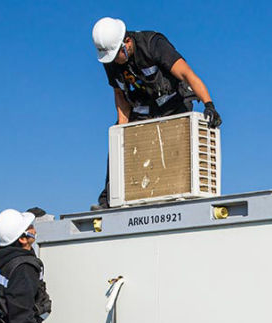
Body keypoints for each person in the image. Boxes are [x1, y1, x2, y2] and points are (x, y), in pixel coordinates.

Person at [91, 17, 223, 209]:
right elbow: (119, 93)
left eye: (116, 55)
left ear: (126, 42)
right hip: (142, 107)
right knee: (118, 141)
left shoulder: (152, 44)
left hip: (173, 104)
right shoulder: (110, 59)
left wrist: (209, 104)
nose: (114, 61)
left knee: (173, 152)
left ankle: (178, 196)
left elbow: (187, 74)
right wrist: (121, 126)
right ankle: (109, 199)